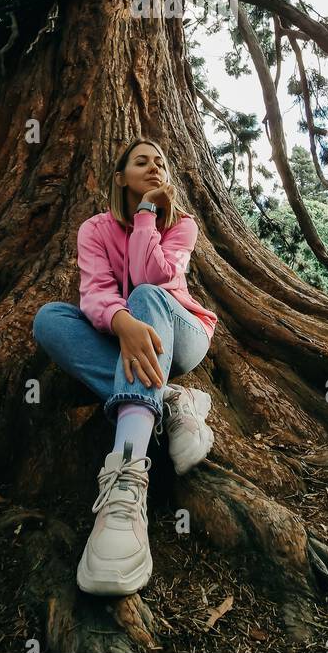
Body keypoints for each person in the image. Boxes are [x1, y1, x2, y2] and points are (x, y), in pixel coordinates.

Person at [32, 136, 218, 596]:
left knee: (146, 295)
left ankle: (126, 480)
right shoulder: (94, 229)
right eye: (141, 161)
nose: (154, 167)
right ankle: (171, 400)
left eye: (160, 162)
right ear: (120, 177)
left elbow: (154, 278)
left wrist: (147, 216)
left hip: (182, 334)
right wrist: (121, 323)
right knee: (50, 319)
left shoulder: (182, 225)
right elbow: (94, 291)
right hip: (125, 338)